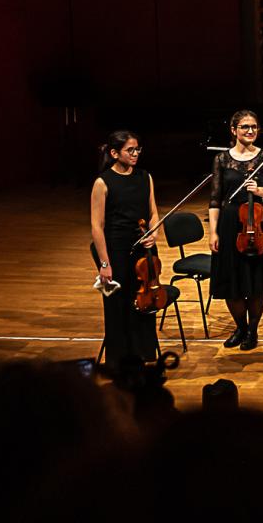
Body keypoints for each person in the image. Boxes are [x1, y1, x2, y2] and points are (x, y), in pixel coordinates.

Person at [207, 113, 263, 351]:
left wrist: (261, 190)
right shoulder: (221, 159)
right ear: (233, 130)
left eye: (254, 127)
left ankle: (253, 330)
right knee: (232, 280)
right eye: (244, 127)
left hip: (258, 224)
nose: (250, 131)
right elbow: (215, 200)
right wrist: (213, 232)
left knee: (258, 280)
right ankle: (240, 326)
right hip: (231, 225)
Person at [90, 131, 166, 367]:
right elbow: (97, 226)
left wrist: (154, 233)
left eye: (137, 150)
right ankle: (118, 359)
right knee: (117, 305)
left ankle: (143, 353)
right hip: (116, 249)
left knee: (143, 302)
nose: (135, 154)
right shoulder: (103, 182)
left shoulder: (145, 177)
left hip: (143, 249)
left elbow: (153, 213)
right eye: (130, 150)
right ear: (114, 153)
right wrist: (104, 264)